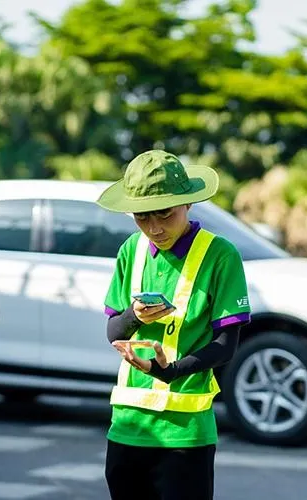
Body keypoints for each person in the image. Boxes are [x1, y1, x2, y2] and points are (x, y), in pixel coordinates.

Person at [96, 149, 251, 500]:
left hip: (185, 434)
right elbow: (112, 332)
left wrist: (172, 370)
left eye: (164, 215)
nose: (154, 228)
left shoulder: (221, 255)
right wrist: (134, 315)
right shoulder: (130, 250)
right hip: (127, 427)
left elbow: (226, 345)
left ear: (188, 204)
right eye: (141, 218)